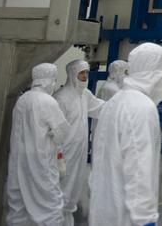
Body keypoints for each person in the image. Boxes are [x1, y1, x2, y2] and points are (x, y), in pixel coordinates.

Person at [89, 42, 162, 226]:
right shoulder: (141, 107)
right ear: (154, 74)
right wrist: (145, 219)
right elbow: (139, 168)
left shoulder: (116, 101)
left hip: (104, 210)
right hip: (127, 215)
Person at [6, 62, 69, 226]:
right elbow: (62, 131)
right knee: (50, 205)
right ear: (49, 80)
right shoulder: (47, 101)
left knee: (18, 207)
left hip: (18, 162)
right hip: (41, 162)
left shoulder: (22, 99)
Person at [55, 59, 104, 225]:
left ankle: (67, 218)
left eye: (86, 73)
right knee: (61, 185)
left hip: (80, 151)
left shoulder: (85, 95)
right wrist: (58, 154)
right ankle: (56, 219)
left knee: (75, 185)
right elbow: (54, 130)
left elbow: (100, 108)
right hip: (65, 153)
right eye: (81, 73)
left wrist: (121, 105)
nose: (84, 76)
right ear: (72, 74)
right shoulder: (61, 97)